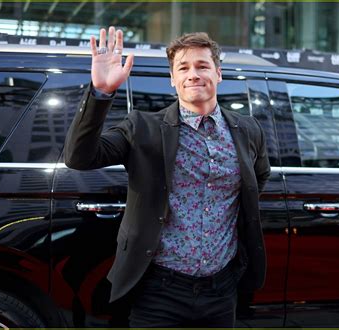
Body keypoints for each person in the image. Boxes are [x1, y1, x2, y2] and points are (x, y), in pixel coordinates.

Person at [64, 26, 270, 327]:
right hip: (159, 290)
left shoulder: (248, 129)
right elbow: (80, 158)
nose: (193, 74)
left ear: (219, 73)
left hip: (222, 289)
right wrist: (102, 93)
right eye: (183, 68)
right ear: (173, 79)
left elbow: (259, 177)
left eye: (202, 66)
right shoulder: (142, 127)